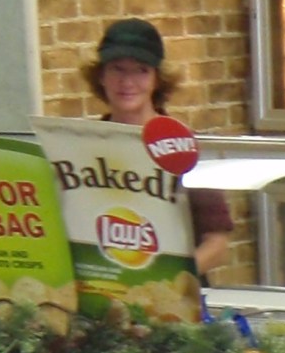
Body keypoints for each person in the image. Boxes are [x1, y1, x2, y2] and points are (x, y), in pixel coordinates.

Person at [82, 17, 230, 275]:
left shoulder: (183, 146)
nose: (127, 82)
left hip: (175, 300)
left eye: (141, 70)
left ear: (157, 79)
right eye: (117, 69)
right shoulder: (80, 146)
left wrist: (172, 279)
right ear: (101, 76)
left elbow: (217, 243)